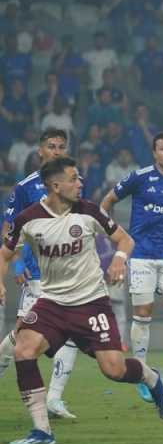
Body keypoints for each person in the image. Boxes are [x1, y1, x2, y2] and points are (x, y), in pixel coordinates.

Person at [0, 156, 163, 444]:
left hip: (91, 303)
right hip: (52, 303)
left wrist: (119, 260)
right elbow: (4, 254)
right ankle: (42, 431)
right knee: (23, 350)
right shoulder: (28, 220)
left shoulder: (89, 212)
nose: (80, 183)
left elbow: (125, 240)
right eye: (73, 178)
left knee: (113, 370)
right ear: (56, 186)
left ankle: (151, 377)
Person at [101, 133, 163, 401]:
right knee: (142, 313)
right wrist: (115, 238)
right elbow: (107, 202)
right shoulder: (139, 176)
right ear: (154, 153)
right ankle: (142, 374)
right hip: (142, 255)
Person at [0, 129, 83, 419]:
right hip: (38, 277)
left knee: (72, 334)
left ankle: (55, 399)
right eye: (51, 146)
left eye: (62, 146)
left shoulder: (75, 184)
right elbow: (10, 231)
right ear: (40, 152)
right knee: (22, 338)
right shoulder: (25, 188)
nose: (57, 151)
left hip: (70, 275)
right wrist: (19, 264)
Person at [96, 234, 129, 352]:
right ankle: (102, 341)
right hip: (96, 280)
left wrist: (119, 274)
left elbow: (124, 257)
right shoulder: (91, 235)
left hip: (115, 278)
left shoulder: (118, 236)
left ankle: (119, 342)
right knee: (99, 313)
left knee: (118, 312)